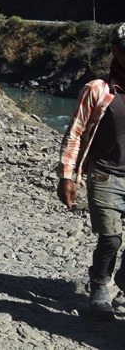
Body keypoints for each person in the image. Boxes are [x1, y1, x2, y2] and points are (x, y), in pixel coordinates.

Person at [57, 23, 125, 319]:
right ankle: (99, 284)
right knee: (110, 237)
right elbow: (75, 132)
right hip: (104, 174)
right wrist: (67, 175)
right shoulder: (97, 90)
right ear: (115, 51)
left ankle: (124, 283)